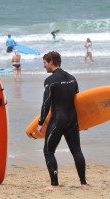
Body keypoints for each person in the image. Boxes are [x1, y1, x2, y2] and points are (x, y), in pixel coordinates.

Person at [37, 51, 89, 191]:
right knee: (76, 151)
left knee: (48, 151)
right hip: (73, 120)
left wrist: (41, 122)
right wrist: (84, 122)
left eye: (45, 63)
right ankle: (83, 183)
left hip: (58, 120)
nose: (44, 66)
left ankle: (54, 184)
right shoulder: (72, 78)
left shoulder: (50, 81)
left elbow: (46, 104)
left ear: (52, 62)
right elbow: (78, 102)